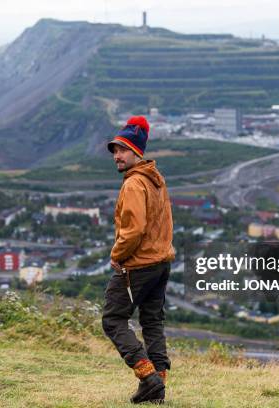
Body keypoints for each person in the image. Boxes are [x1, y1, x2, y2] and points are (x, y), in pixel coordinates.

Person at [102, 116, 175, 404]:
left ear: (136, 152)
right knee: (152, 322)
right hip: (161, 262)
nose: (116, 156)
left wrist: (116, 255)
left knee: (113, 319)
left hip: (138, 265)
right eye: (114, 150)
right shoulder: (156, 179)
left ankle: (148, 377)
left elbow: (133, 230)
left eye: (122, 149)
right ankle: (158, 387)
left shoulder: (134, 184)